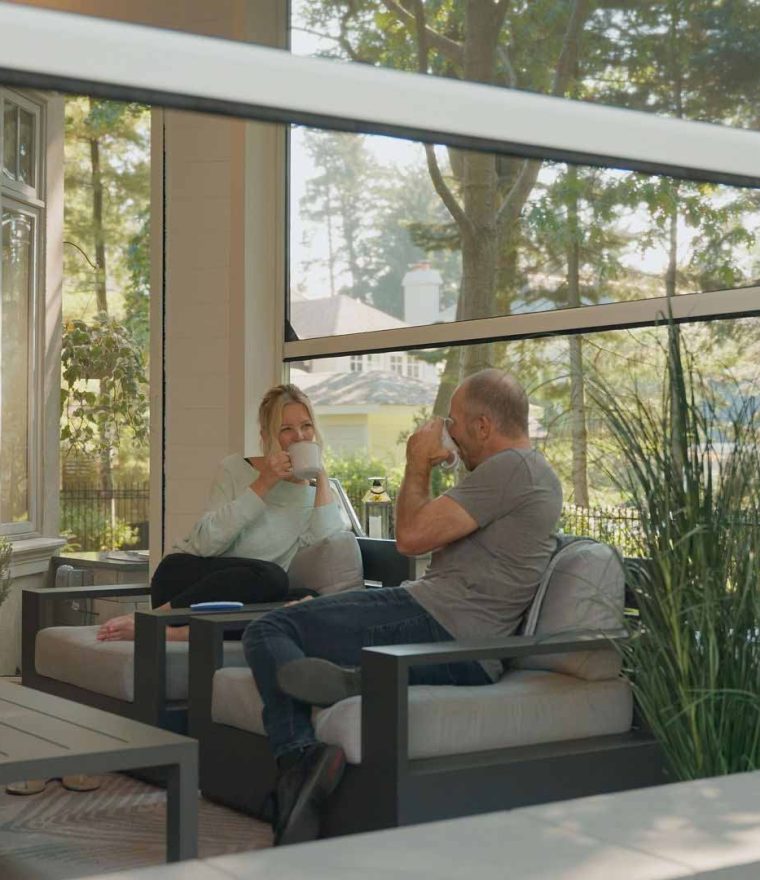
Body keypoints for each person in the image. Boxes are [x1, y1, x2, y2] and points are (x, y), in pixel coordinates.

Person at [242, 368, 563, 846]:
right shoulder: (526, 474)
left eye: (453, 423)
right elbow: (430, 532)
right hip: (464, 645)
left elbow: (410, 538)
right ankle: (355, 681)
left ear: (482, 427)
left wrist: (417, 461)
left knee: (268, 632)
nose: (448, 433)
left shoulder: (510, 468)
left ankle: (298, 760)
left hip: (442, 625)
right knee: (294, 633)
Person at [96, 384, 345, 642]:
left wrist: (321, 474)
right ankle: (152, 618)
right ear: (266, 434)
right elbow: (206, 543)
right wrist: (264, 483)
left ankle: (174, 634)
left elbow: (325, 542)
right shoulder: (235, 469)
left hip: (244, 599)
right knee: (270, 576)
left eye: (306, 426)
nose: (300, 437)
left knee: (309, 602)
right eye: (286, 429)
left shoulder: (316, 496)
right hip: (185, 585)